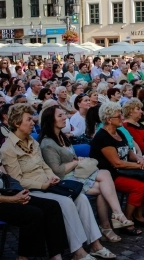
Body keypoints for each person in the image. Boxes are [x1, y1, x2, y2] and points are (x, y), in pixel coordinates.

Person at [1, 103, 115, 260]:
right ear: (17, 124)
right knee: (66, 202)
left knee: (80, 198)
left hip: (48, 185)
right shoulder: (8, 149)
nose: (33, 122)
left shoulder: (32, 142)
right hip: (33, 189)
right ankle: (78, 251)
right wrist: (43, 184)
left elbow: (44, 166)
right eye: (29, 119)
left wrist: (51, 176)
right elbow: (17, 180)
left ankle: (95, 244)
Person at [39, 105, 133, 243]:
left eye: (64, 114)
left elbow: (71, 158)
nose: (65, 117)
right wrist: (76, 162)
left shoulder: (62, 137)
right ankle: (111, 221)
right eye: (60, 115)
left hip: (76, 173)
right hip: (66, 179)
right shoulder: (48, 143)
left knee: (105, 176)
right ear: (50, 120)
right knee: (104, 187)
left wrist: (75, 162)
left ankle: (113, 219)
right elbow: (57, 171)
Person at [90, 102, 144, 236]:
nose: (122, 118)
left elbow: (128, 152)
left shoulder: (119, 131)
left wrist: (139, 159)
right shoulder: (103, 137)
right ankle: (127, 220)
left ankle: (138, 214)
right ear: (109, 120)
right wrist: (140, 166)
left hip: (124, 170)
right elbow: (117, 163)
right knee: (139, 187)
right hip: (110, 174)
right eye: (118, 116)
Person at [0, 166, 67, 260]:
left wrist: (16, 191)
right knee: (33, 214)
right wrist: (13, 199)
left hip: (6, 193)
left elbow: (5, 176)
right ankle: (22, 258)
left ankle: (56, 256)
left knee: (52, 206)